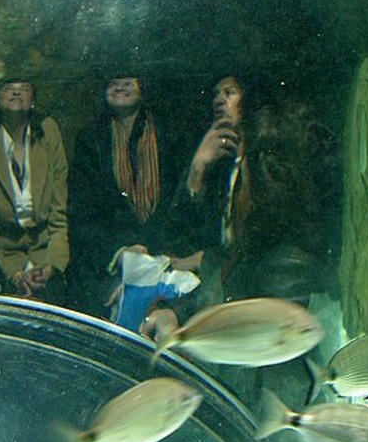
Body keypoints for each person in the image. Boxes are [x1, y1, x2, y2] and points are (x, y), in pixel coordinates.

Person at [142, 77, 340, 341]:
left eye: (230, 92)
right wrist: (196, 171)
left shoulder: (271, 162)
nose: (218, 100)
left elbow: (244, 285)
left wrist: (203, 265)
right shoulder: (217, 162)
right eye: (215, 94)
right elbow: (179, 240)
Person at [67, 75, 183, 316]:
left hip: (162, 252)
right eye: (111, 82)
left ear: (143, 88)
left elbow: (176, 201)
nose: (120, 87)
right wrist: (119, 253)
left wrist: (152, 255)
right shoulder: (90, 139)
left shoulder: (168, 133)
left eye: (128, 81)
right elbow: (82, 212)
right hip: (108, 260)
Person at [0, 78, 69, 300]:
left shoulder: (48, 132)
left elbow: (59, 218)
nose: (16, 92)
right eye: (8, 88)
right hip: (2, 258)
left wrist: (51, 266)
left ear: (33, 101)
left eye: (24, 88)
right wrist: (13, 274)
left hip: (44, 255)